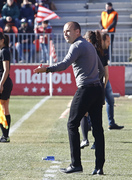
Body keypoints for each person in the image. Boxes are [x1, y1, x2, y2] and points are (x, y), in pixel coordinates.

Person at [33, 22, 105, 175]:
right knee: (98, 129)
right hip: (97, 89)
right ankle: (99, 167)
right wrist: (97, 85)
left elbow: (64, 64)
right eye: (64, 31)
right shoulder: (90, 46)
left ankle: (76, 164)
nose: (65, 34)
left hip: (86, 89)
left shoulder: (77, 46)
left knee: (72, 124)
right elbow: (101, 70)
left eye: (68, 31)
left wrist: (46, 69)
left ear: (77, 31)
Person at [0, 31, 13, 143]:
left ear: (2, 40)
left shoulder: (4, 51)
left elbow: (6, 70)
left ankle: (5, 136)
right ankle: (5, 136)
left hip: (3, 82)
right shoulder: (1, 51)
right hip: (2, 82)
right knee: (4, 109)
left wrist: (0, 85)